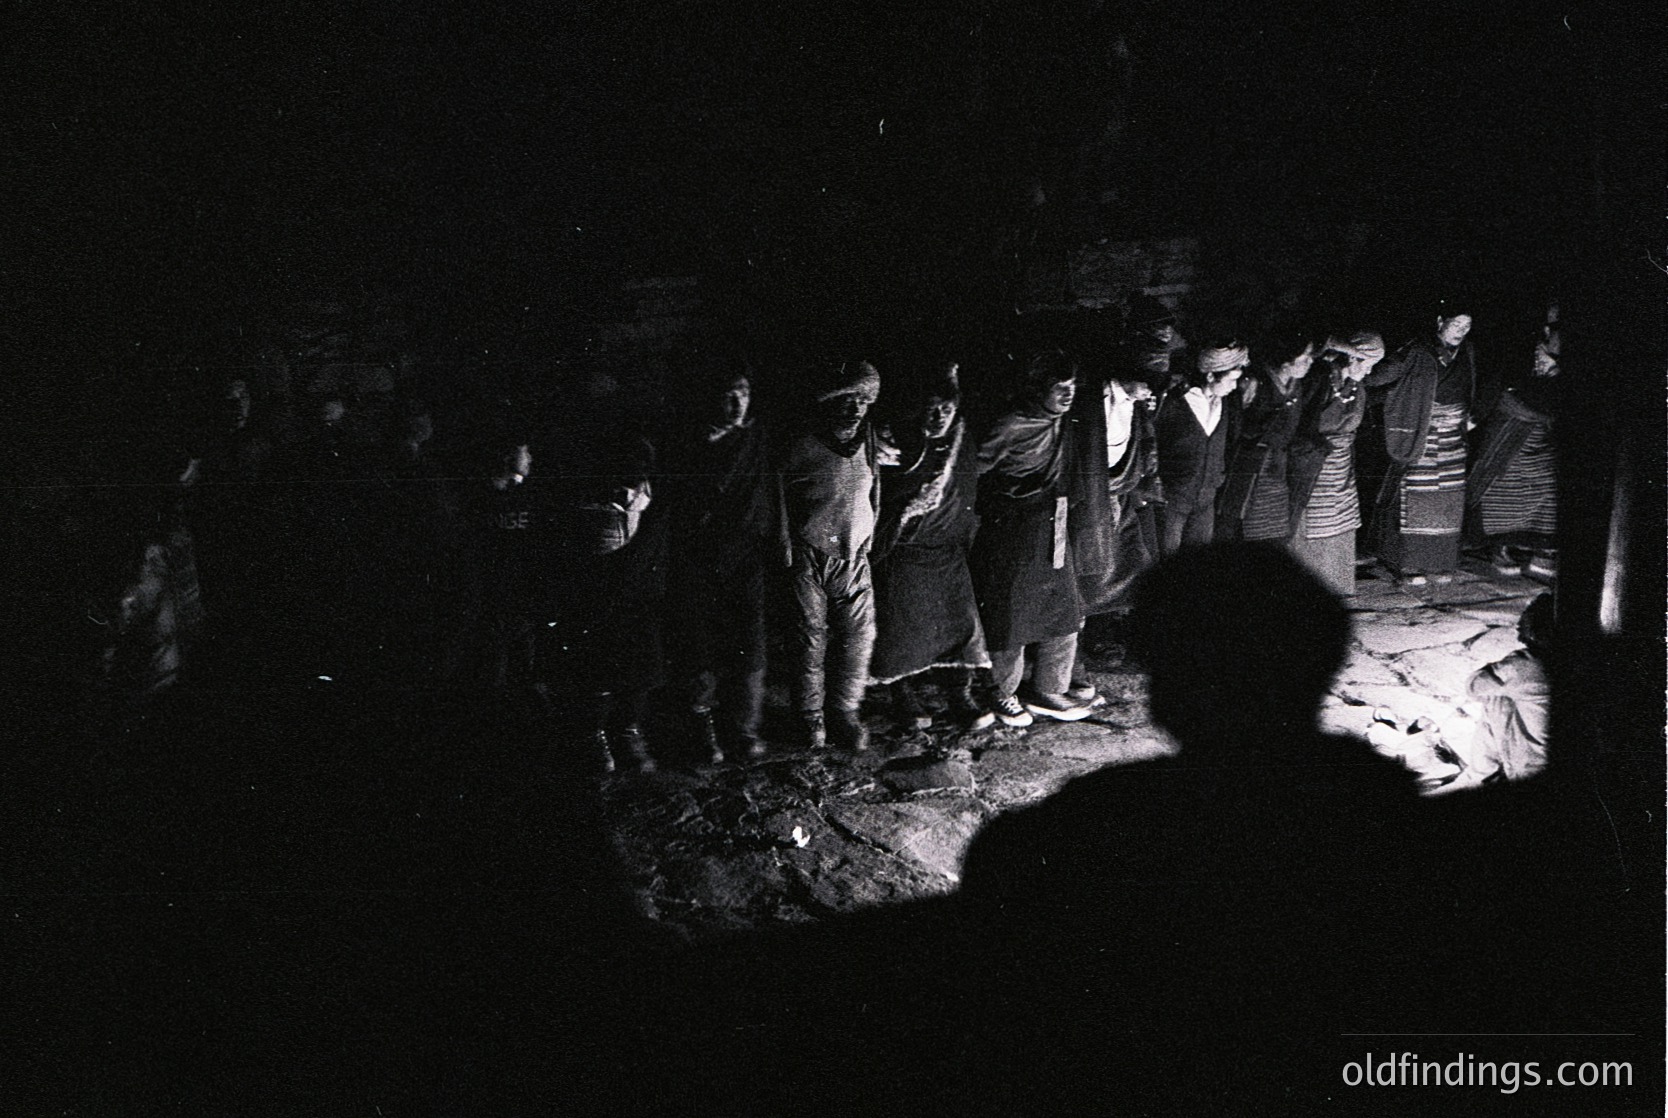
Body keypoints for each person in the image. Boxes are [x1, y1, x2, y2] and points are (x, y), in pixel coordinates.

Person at [870, 361, 994, 734]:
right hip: (905, 551)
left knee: (960, 626)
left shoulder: (962, 438)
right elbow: (879, 498)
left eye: (947, 409)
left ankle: (959, 694)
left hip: (949, 550)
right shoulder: (894, 443)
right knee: (901, 631)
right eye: (931, 409)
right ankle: (902, 693)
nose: (939, 417)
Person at [660, 357, 774, 762]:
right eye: (728, 397)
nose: (737, 405)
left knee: (750, 643)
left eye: (743, 394)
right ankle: (702, 728)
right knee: (700, 645)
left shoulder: (757, 436)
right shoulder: (687, 445)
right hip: (700, 556)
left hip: (747, 555)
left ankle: (744, 727)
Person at [970, 350, 1093, 727]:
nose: (1068, 395)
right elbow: (970, 471)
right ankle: (1001, 692)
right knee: (1011, 615)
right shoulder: (1010, 425)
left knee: (1065, 608)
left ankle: (1049, 689)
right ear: (1038, 389)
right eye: (1059, 388)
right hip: (1014, 529)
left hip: (1054, 521)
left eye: (1073, 387)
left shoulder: (1064, 421)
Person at [775, 359, 883, 753]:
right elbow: (779, 496)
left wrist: (869, 535)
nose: (854, 409)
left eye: (862, 402)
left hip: (854, 555)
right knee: (809, 639)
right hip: (810, 552)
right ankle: (810, 717)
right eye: (846, 401)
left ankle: (844, 711)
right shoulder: (803, 445)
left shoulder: (867, 439)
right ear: (827, 403)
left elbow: (873, 487)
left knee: (859, 635)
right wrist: (787, 547)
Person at [553, 435, 667, 775]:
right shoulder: (589, 501)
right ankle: (595, 734)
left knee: (641, 666)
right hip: (599, 593)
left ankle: (629, 729)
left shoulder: (653, 501)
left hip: (641, 594)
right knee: (597, 667)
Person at [1365, 300, 1478, 584]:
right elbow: (1379, 377)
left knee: (1448, 502)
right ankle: (1408, 566)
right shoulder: (1417, 351)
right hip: (1420, 436)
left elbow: (1474, 387)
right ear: (1440, 321)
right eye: (1456, 324)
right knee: (1415, 498)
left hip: (1454, 438)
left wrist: (1473, 416)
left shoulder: (1467, 351)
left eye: (1467, 326)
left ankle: (1440, 564)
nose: (1462, 331)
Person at [1466, 308, 1560, 582]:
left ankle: (1543, 553)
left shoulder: (1560, 355)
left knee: (1549, 490)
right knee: (1500, 490)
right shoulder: (1521, 352)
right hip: (1511, 435)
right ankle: (1500, 548)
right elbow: (1501, 389)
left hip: (1543, 438)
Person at [1286, 331, 1383, 595]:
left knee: (1340, 525)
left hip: (1341, 467)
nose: (1369, 371)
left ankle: (1337, 590)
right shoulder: (1320, 377)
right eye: (1367, 363)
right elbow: (1310, 422)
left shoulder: (1356, 383)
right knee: (1313, 526)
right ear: (1351, 357)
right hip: (1313, 464)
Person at [1216, 326, 1318, 543]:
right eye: (1305, 356)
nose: (1310, 361)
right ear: (1286, 361)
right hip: (1248, 469)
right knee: (1239, 530)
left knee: (1272, 533)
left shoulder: (1296, 385)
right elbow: (1233, 431)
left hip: (1277, 470)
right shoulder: (1254, 384)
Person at [1154, 340, 1245, 554]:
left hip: (1205, 502)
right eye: (1231, 380)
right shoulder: (1174, 402)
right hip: (1172, 500)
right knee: (1166, 559)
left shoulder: (1225, 404)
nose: (1234, 387)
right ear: (1211, 376)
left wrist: (1217, 478)